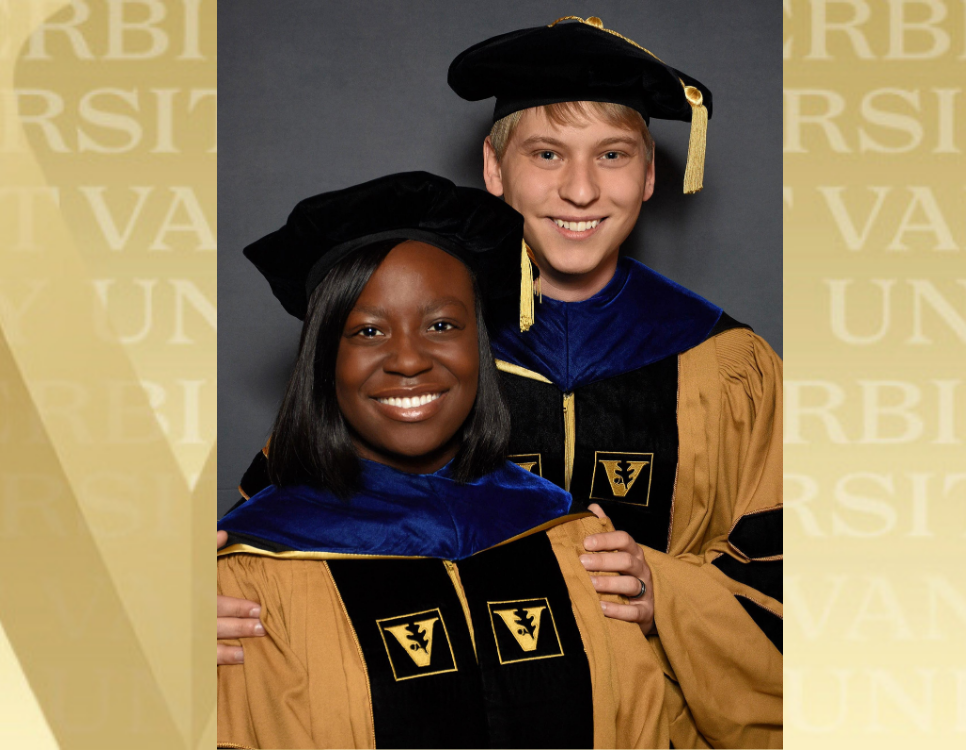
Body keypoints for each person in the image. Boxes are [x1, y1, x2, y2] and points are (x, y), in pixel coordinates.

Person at [223, 16, 782, 748]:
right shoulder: (420, 361)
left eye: (612, 155)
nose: (579, 189)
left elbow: (800, 582)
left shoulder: (726, 363)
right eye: (546, 154)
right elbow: (282, 536)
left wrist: (667, 598)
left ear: (650, 174)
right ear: (494, 171)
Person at [217, 172, 673, 749]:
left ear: (479, 347)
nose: (408, 360)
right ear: (324, 360)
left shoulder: (569, 539)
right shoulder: (250, 576)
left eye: (441, 325)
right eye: (368, 331)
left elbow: (643, 726)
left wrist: (665, 600)